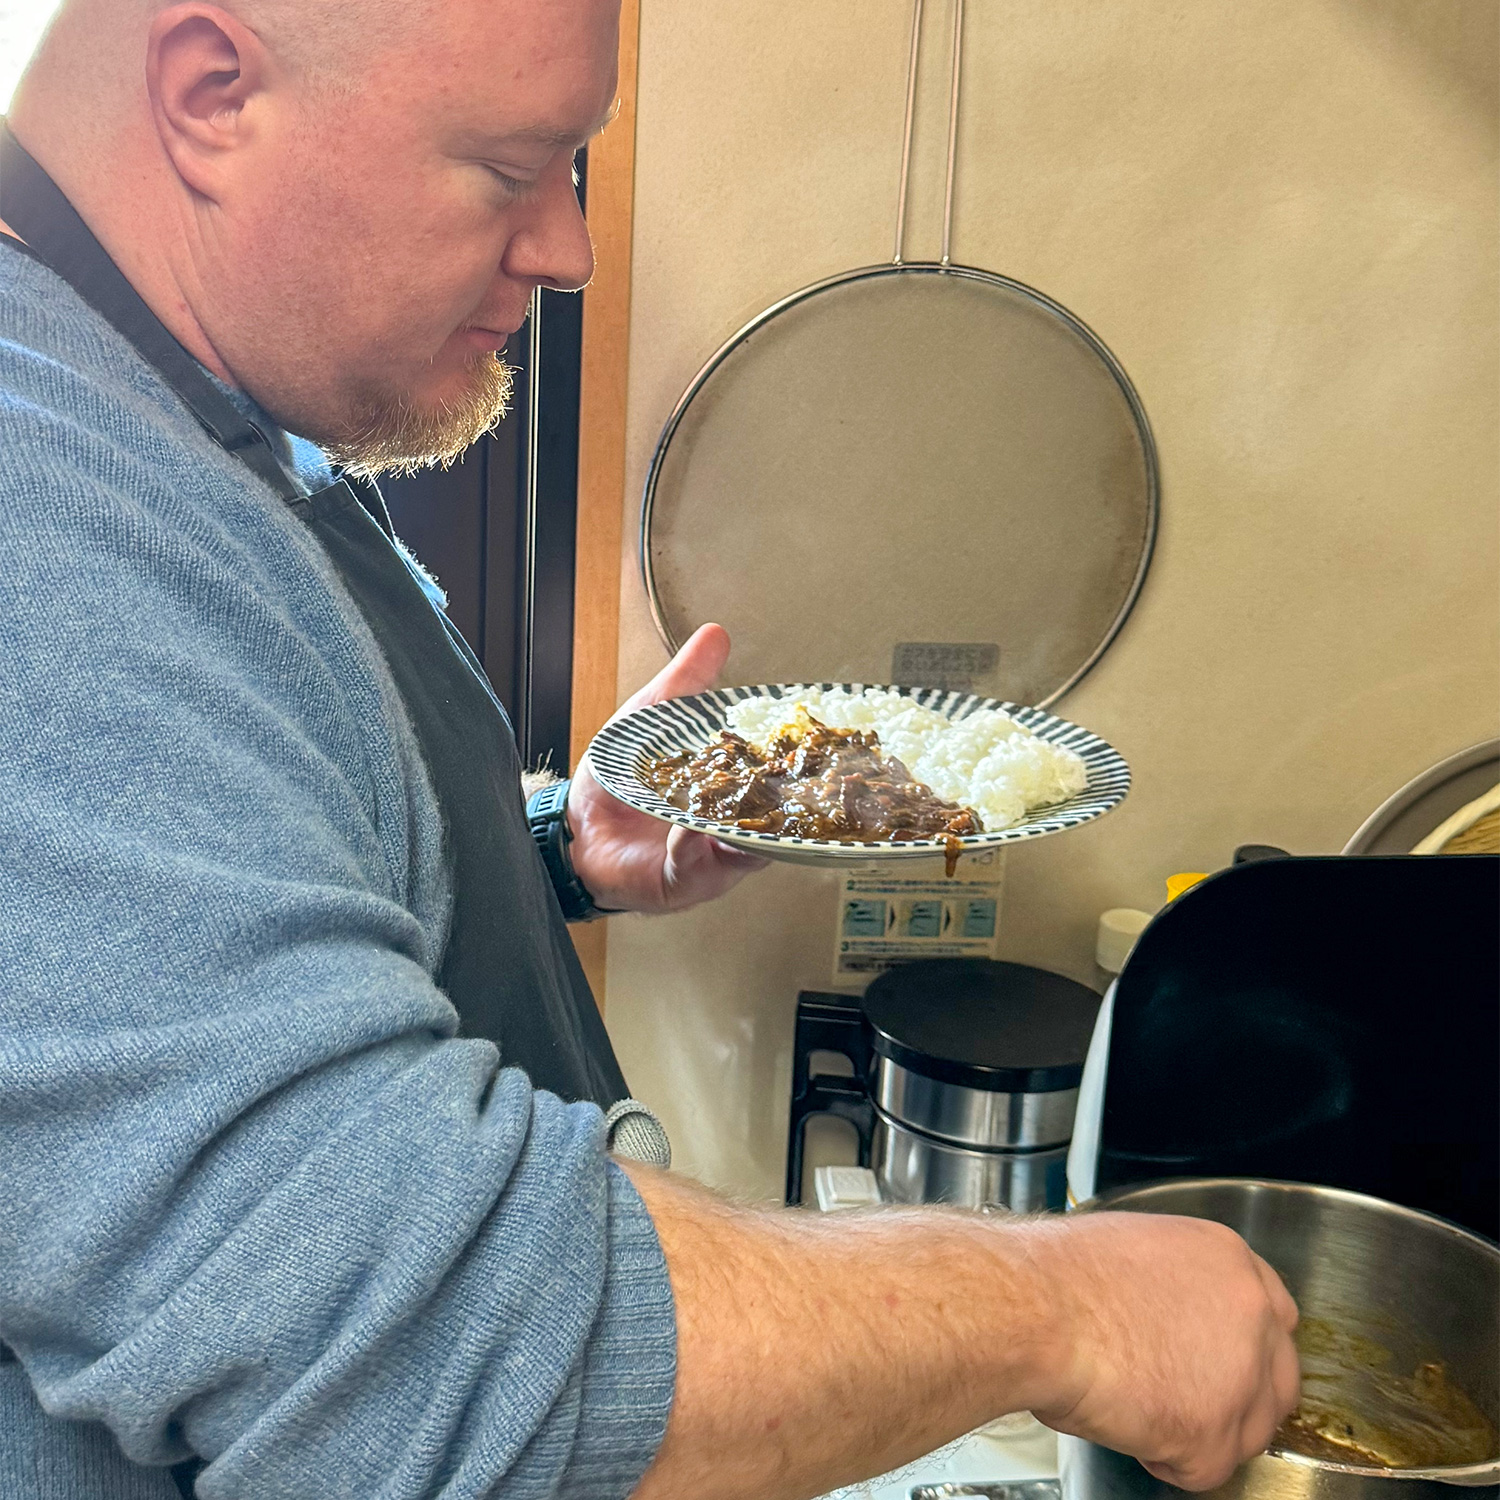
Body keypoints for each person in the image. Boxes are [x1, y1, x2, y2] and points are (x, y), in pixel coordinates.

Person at [0, 0, 1300, 1497]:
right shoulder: (40, 502)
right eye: (510, 169)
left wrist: (548, 845)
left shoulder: (216, 418)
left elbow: (209, 906)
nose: (571, 249)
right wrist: (1060, 1304)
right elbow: (421, 1352)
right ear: (212, 92)